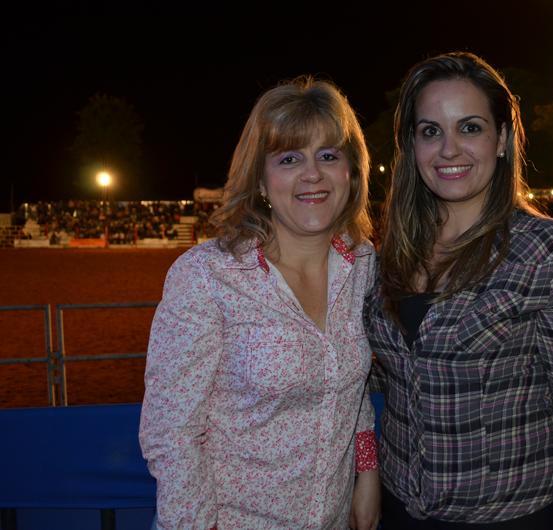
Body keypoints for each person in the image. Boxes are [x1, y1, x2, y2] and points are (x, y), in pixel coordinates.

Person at [364, 52, 553, 529]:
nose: (449, 149)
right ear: (412, 145)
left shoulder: (549, 252)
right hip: (398, 510)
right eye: (430, 131)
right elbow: (380, 379)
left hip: (510, 517)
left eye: (470, 127)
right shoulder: (391, 254)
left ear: (501, 139)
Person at [139, 76, 380, 530]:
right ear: (261, 181)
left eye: (329, 156)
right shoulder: (207, 276)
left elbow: (352, 385)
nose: (313, 174)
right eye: (289, 158)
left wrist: (366, 473)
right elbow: (171, 432)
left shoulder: (362, 264)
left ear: (351, 172)